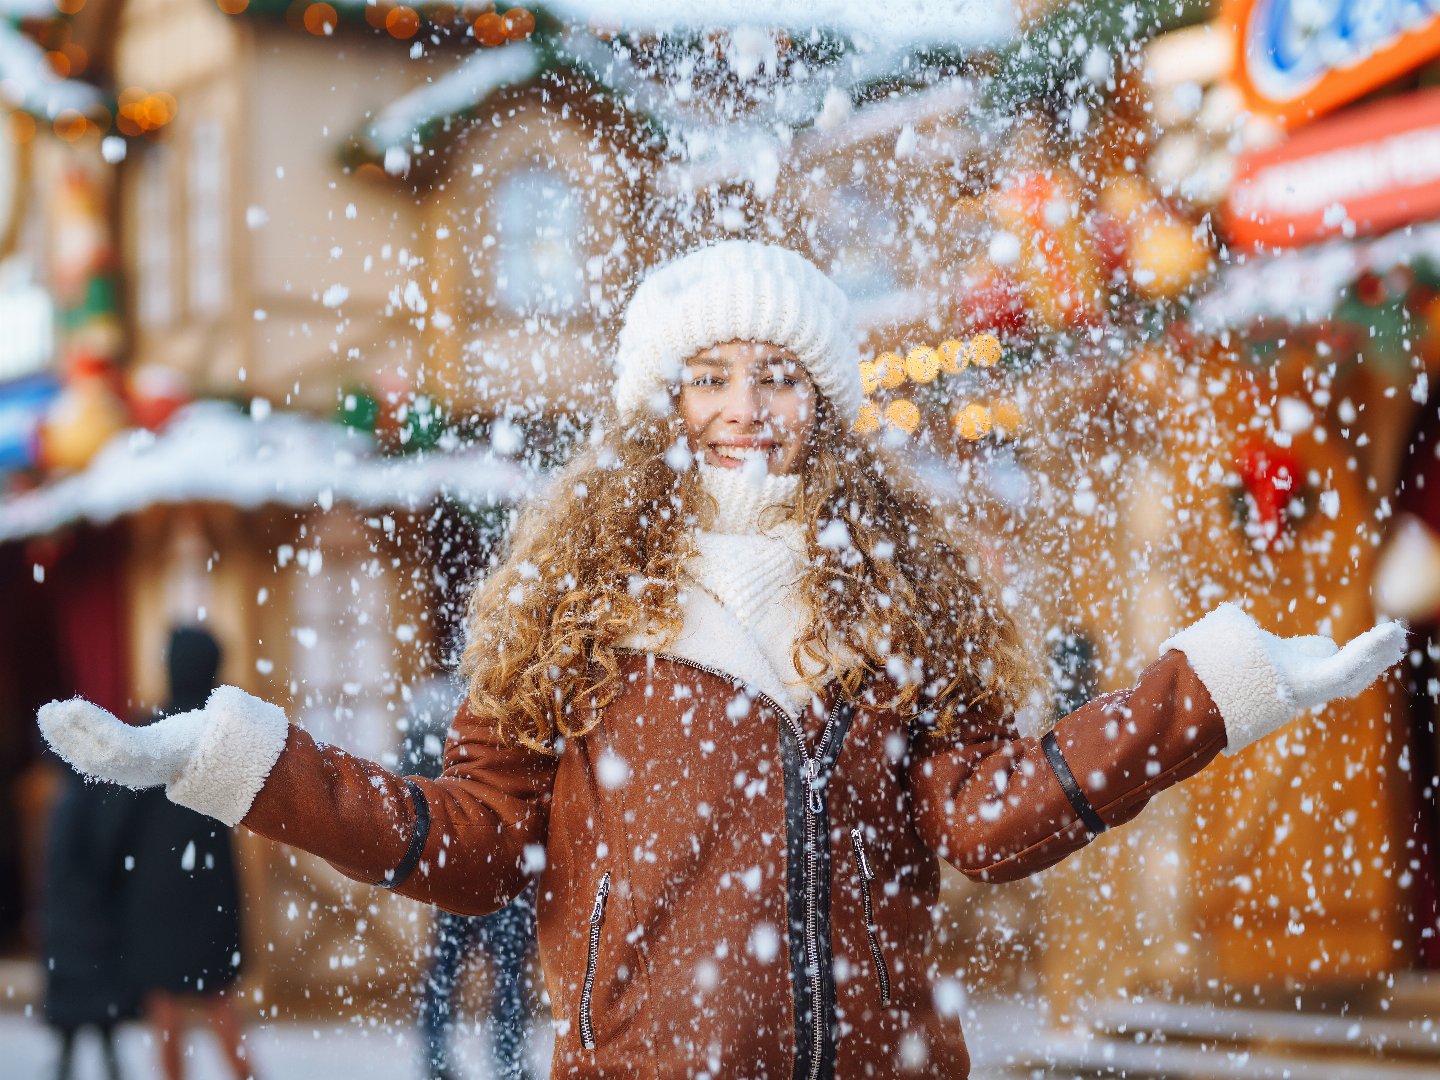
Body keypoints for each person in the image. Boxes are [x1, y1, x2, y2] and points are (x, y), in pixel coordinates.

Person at [38, 241, 1406, 1079]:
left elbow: (992, 824)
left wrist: (1216, 690)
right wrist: (233, 761)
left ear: (826, 402)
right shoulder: (573, 608)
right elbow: (470, 843)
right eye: (711, 377)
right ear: (660, 402)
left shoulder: (896, 605)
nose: (745, 409)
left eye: (778, 376)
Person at [123, 626, 257, 1080]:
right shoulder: (224, 734)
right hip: (210, 878)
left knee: (165, 1011)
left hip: (156, 884)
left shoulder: (150, 730)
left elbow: (124, 817)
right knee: (221, 1004)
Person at [404, 675, 537, 1080]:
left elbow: (411, 783)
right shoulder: (514, 697)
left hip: (454, 860)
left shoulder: (435, 704)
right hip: (500, 859)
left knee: (453, 963)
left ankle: (441, 1054)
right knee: (505, 966)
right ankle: (504, 1059)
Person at [40, 760, 139, 1080]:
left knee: (82, 1022)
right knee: (97, 1019)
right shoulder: (90, 797)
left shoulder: (73, 796)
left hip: (76, 926)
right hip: (87, 925)